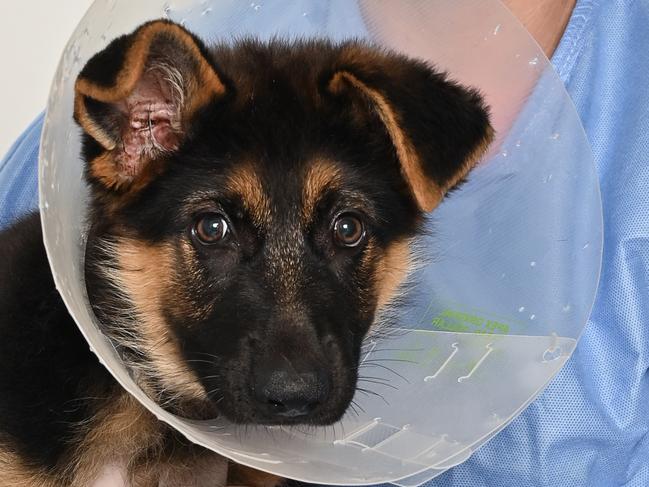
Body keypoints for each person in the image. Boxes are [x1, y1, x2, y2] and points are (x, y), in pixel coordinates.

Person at [1, 1, 647, 485]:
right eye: (213, 229)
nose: (292, 374)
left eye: (346, 230)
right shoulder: (204, 16)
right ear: (143, 133)